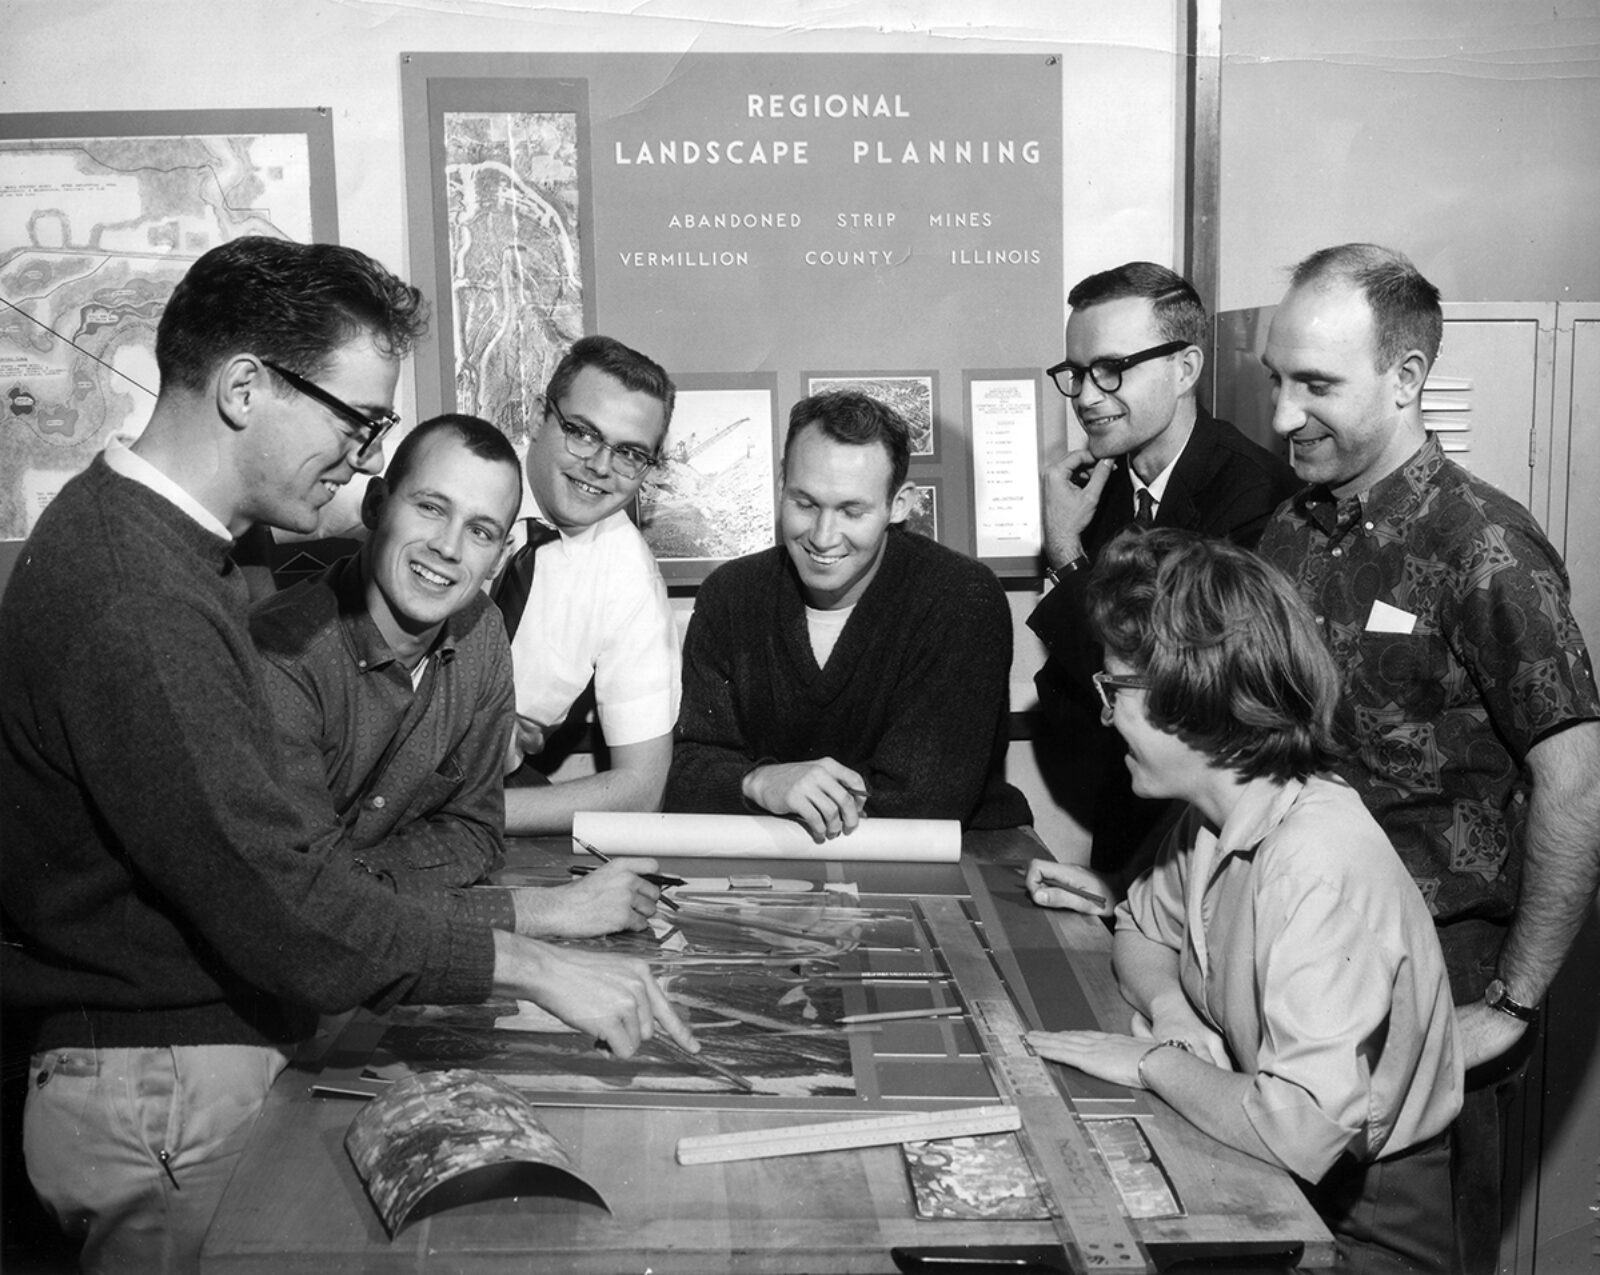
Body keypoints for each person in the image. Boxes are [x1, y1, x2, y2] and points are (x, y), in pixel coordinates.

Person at [0, 237, 695, 1274]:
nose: (364, 456)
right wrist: (529, 955)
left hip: (195, 1059)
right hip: (157, 1078)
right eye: (357, 421)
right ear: (244, 386)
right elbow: (281, 899)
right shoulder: (139, 594)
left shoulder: (180, 554)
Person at [1255, 242, 1600, 1272]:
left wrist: (1510, 1006)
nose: (1281, 416)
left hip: (1434, 994)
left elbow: (1574, 783)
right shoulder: (1291, 528)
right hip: (1301, 976)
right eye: (1278, 380)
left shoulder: (1482, 545)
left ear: (1406, 379)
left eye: (1316, 385)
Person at [1027, 528, 1463, 1273]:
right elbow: (1140, 927)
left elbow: (1297, 1130)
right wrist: (1170, 1012)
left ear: (1187, 697)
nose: (1106, 717)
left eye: (1115, 691)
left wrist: (1156, 1061)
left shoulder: (1316, 861)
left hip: (1366, 1221)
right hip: (1277, 1171)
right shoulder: (1212, 816)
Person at [250, 412, 662, 939]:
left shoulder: (480, 630)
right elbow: (298, 907)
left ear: (497, 557)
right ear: (376, 506)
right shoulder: (278, 657)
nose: (448, 547)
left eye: (480, 531)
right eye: (430, 508)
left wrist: (356, 882)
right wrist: (535, 912)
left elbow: (475, 831)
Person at [1029, 263, 1297, 898]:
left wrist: (1066, 553)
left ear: (1185, 369)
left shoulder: (1255, 495)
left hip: (1219, 860)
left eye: (1113, 369)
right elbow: (1077, 694)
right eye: (1077, 372)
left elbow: (1176, 690)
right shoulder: (1101, 485)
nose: (1089, 397)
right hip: (1128, 842)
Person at [666, 390, 1031, 840]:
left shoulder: (961, 597)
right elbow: (684, 774)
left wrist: (751, 788)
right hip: (773, 860)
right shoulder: (730, 593)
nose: (822, 536)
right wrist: (758, 781)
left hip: (954, 856)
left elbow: (922, 805)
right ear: (781, 482)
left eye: (851, 511)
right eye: (805, 504)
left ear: (899, 505)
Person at [494, 336, 681, 835]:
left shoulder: (629, 576)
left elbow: (641, 790)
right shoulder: (456, 472)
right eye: (581, 433)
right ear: (538, 417)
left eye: (630, 454)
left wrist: (474, 814)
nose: (600, 466)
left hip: (485, 792)